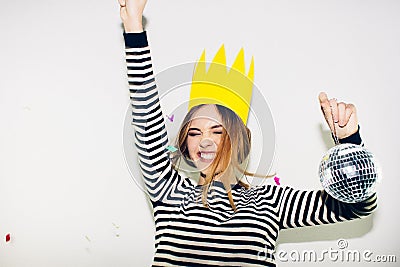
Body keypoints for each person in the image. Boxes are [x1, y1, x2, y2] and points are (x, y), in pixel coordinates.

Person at [118, 0, 377, 266]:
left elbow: (356, 206)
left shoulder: (271, 202)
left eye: (216, 130)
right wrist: (134, 26)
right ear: (186, 145)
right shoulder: (169, 192)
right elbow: (146, 118)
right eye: (194, 133)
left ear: (237, 139)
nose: (204, 140)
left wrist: (349, 143)